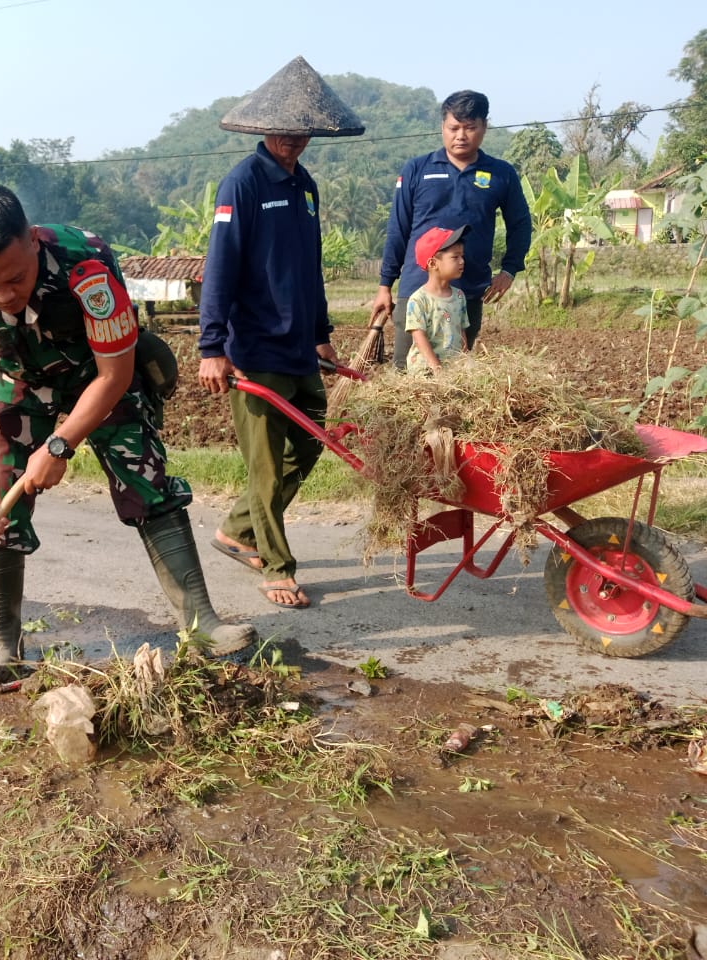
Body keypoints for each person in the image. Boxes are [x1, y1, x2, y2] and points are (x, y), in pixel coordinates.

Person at [0, 184, 256, 684]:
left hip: (95, 374)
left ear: (33, 240)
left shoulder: (88, 263)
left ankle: (201, 623)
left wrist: (59, 445)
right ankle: (3, 639)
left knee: (144, 474)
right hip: (17, 384)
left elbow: (114, 374)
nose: (4, 296)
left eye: (15, 279)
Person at [198, 56, 360, 610]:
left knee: (316, 439)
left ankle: (238, 530)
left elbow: (308, 266)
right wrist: (212, 347)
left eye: (301, 131)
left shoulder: (305, 186)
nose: (292, 140)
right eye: (283, 130)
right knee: (265, 467)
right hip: (255, 349)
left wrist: (320, 333)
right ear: (264, 127)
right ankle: (277, 565)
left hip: (298, 347)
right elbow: (219, 267)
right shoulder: (241, 184)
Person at [371, 90, 532, 368]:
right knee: (409, 371)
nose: (461, 135)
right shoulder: (417, 169)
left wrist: (509, 270)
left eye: (470, 128)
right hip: (416, 289)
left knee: (456, 375)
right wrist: (385, 285)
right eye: (453, 127)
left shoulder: (501, 173)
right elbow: (398, 227)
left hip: (468, 291)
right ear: (442, 127)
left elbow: (520, 224)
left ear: (484, 127)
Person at [404, 225, 470, 374]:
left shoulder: (459, 296)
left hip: (452, 369)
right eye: (455, 257)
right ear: (433, 264)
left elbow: (461, 331)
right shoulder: (418, 300)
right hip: (426, 370)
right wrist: (436, 367)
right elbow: (419, 337)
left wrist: (465, 359)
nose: (462, 261)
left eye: (462, 256)